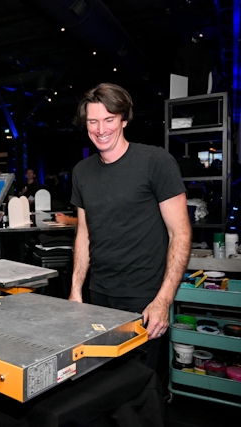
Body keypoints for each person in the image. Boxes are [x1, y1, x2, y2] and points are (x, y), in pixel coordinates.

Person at [68, 82, 191, 370]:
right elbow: (83, 234)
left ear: (124, 119)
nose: (100, 129)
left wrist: (163, 301)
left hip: (145, 298)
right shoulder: (81, 171)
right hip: (99, 295)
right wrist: (76, 291)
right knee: (103, 383)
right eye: (93, 121)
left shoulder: (155, 161)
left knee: (141, 389)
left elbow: (180, 233)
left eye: (109, 119)